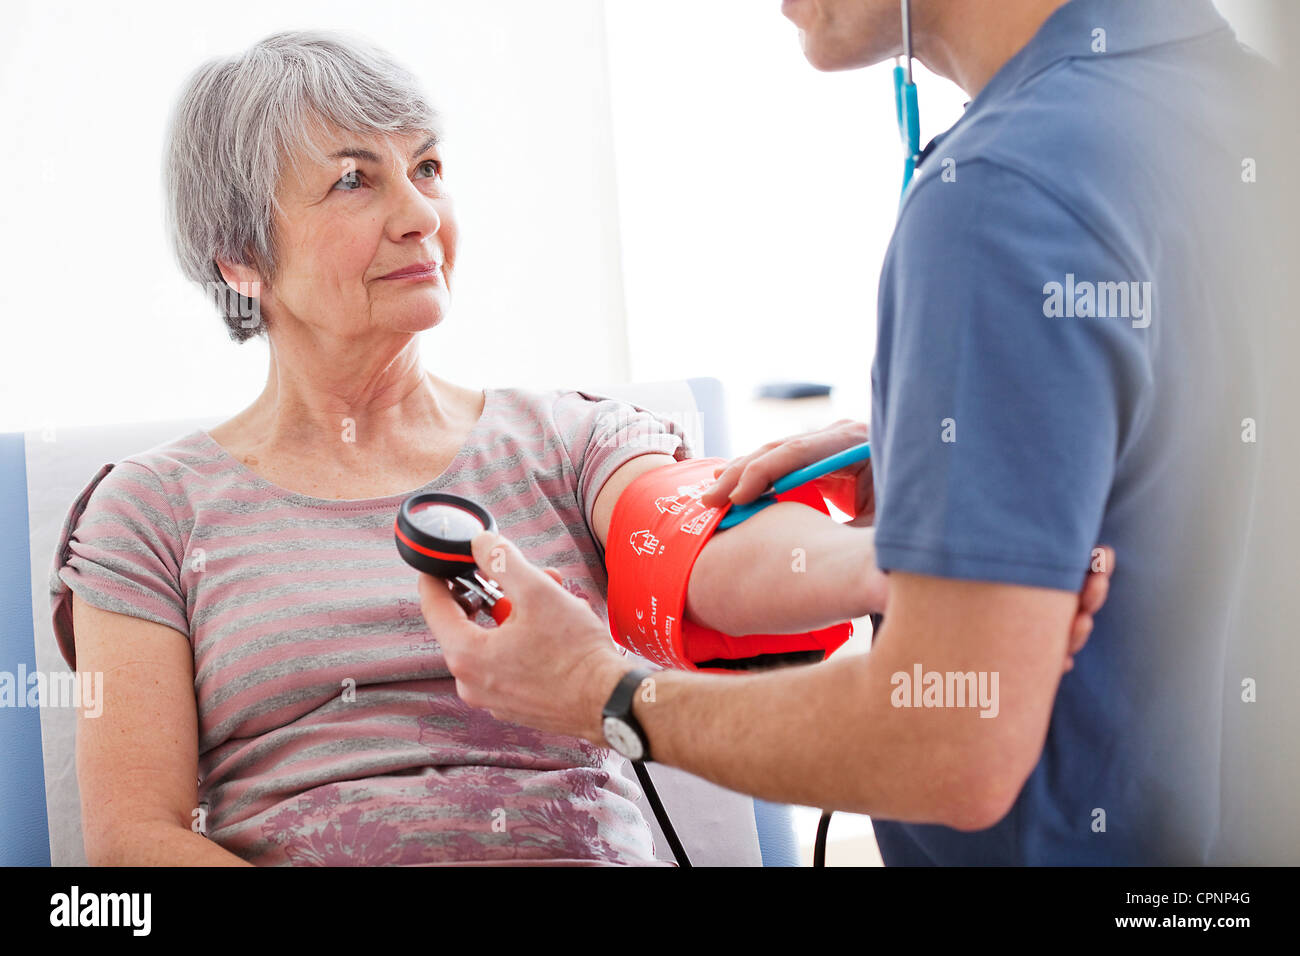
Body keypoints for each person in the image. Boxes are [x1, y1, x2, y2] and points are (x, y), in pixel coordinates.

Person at [50, 27, 934, 866]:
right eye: (355, 181)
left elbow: (707, 552)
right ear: (240, 257)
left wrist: (895, 562)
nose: (420, 214)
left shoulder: (570, 439)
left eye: (427, 167)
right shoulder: (151, 512)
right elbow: (133, 842)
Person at [424, 0, 1269, 864]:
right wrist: (994, 438)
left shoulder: (1001, 198)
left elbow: (948, 742)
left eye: (426, 168)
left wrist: (603, 692)